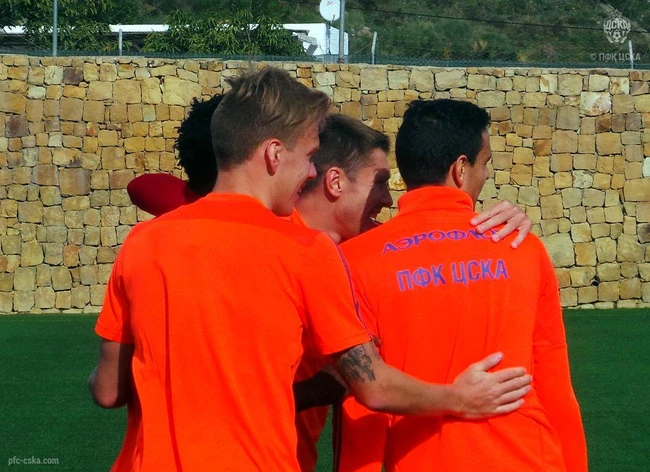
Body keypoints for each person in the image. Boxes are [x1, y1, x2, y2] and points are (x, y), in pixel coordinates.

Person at [88, 68, 533, 472]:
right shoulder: (303, 250)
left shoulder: (143, 241)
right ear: (273, 155)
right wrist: (459, 398)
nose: (310, 173)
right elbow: (373, 387)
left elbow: (107, 391)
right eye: (308, 156)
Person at [337, 99, 588, 472]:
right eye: (484, 163)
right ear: (460, 169)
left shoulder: (354, 260)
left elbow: (363, 402)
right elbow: (554, 385)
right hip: (529, 458)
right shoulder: (522, 246)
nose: (485, 175)